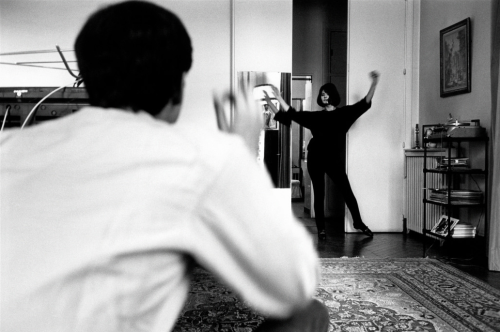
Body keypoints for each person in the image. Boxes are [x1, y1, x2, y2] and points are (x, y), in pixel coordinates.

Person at [0, 1, 329, 331]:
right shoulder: (204, 158)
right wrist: (239, 154)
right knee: (311, 313)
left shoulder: (7, 147)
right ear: (177, 87)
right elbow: (296, 283)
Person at [264, 71, 380, 240]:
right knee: (319, 194)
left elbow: (364, 103)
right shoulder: (316, 117)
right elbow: (293, 114)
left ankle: (358, 222)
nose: (323, 96)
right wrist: (279, 98)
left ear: (332, 95)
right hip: (315, 158)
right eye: (321, 94)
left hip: (334, 160)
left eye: (326, 94)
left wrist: (374, 84)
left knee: (347, 192)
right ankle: (321, 230)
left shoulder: (344, 114)